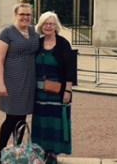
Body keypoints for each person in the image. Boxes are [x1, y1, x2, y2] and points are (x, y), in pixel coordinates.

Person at [0, 0, 39, 164]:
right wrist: (0, 83)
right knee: (11, 118)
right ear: (15, 15)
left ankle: (16, 154)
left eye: (28, 15)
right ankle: (0, 156)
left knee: (22, 119)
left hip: (29, 82)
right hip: (12, 81)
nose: (25, 17)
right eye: (22, 14)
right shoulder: (7, 33)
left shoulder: (34, 32)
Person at [31, 11, 74, 164]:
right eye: (45, 24)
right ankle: (42, 150)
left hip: (58, 91)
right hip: (39, 92)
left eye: (51, 24)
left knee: (56, 122)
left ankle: (54, 154)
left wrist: (68, 90)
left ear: (56, 26)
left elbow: (70, 69)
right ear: (41, 26)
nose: (48, 26)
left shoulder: (63, 44)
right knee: (42, 122)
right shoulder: (37, 43)